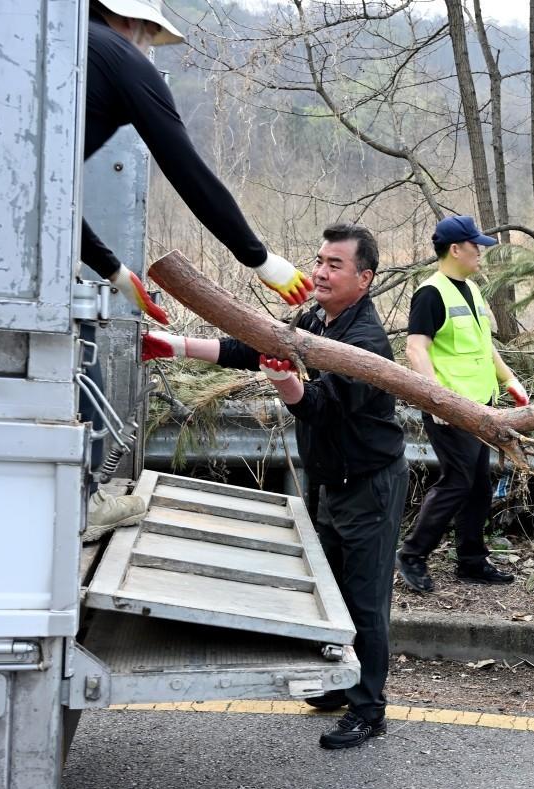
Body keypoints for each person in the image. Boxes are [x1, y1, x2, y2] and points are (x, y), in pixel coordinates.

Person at [142, 224, 408, 750]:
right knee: (330, 590)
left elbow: (320, 405)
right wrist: (173, 345)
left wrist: (283, 377)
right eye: (319, 260)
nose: (320, 272)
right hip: (331, 481)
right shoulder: (315, 319)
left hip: (370, 487)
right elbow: (254, 347)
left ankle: (369, 709)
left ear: (365, 278)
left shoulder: (365, 342)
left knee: (364, 599)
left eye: (335, 265)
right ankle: (339, 687)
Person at [80, 0, 312, 539]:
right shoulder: (122, 58)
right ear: (137, 22)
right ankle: (83, 502)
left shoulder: (67, 55)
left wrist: (113, 270)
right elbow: (187, 169)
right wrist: (260, 258)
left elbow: (44, 191)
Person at [395, 215, 528, 594]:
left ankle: (471, 560)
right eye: (476, 247)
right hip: (450, 408)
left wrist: (509, 380)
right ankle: (413, 555)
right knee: (458, 481)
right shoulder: (430, 293)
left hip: (481, 405)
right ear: (456, 250)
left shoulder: (470, 289)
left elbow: (484, 345)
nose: (481, 253)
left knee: (480, 486)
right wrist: (436, 398)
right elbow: (414, 348)